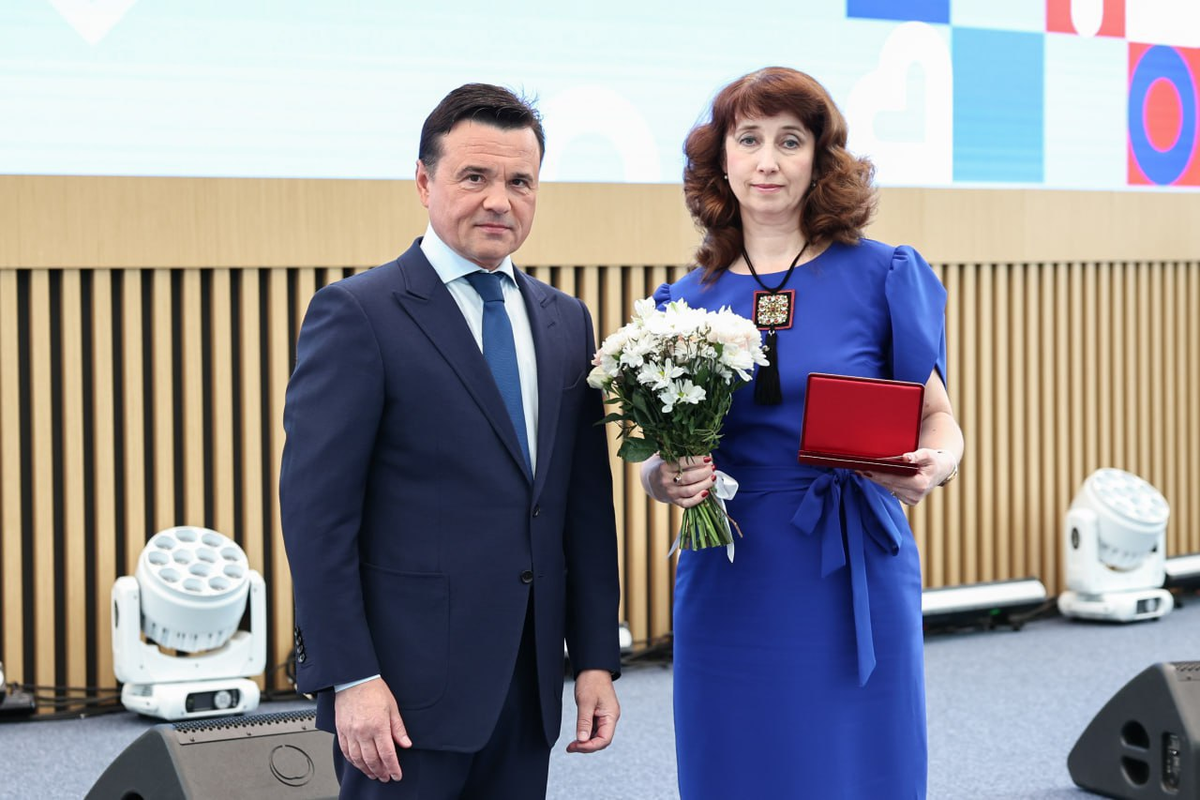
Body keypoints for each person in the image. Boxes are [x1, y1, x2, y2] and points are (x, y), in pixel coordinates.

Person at [279, 83, 622, 800]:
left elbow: (584, 507)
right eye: (475, 177)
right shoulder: (359, 314)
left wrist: (594, 658)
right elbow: (317, 517)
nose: (500, 200)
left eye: (520, 182)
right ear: (423, 181)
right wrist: (351, 676)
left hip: (527, 686)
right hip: (402, 693)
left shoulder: (565, 321)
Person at [641, 67, 964, 798]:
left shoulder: (883, 274)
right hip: (729, 566)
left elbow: (938, 419)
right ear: (721, 157)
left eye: (790, 141)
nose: (768, 161)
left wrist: (935, 465)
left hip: (852, 559)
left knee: (852, 766)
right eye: (748, 139)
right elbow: (659, 462)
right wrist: (664, 478)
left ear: (820, 158)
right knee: (737, 762)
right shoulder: (682, 302)